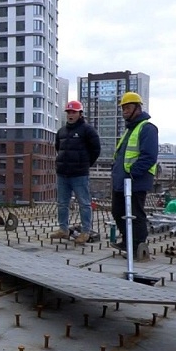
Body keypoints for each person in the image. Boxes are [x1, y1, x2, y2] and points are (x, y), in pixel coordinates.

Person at [110, 91, 159, 253]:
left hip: (135, 181)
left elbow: (149, 156)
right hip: (121, 181)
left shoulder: (147, 128)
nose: (124, 111)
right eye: (123, 108)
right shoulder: (130, 129)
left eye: (128, 107)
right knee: (118, 212)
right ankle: (127, 241)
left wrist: (132, 174)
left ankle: (138, 246)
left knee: (136, 214)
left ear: (137, 108)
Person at [49, 100, 101, 244]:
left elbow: (96, 149)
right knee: (62, 203)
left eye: (74, 112)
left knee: (84, 203)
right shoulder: (62, 131)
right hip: (63, 174)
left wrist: (84, 164)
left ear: (80, 113)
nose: (70, 115)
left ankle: (85, 232)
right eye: (69, 112)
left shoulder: (87, 130)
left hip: (79, 175)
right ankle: (63, 229)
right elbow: (58, 148)